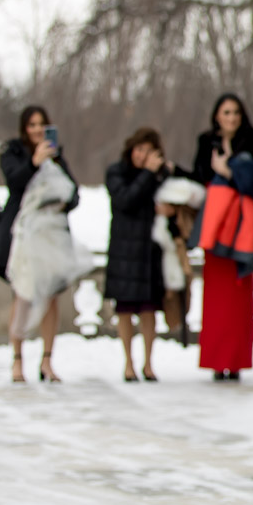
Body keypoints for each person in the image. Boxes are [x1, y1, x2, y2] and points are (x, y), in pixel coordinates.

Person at [0, 105, 80, 383]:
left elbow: (74, 193)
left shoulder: (56, 156)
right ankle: (17, 360)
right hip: (23, 234)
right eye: (32, 125)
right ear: (24, 128)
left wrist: (63, 201)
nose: (38, 129)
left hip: (50, 235)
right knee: (23, 295)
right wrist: (35, 162)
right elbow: (14, 182)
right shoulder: (12, 151)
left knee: (51, 297)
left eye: (42, 124)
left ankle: (47, 361)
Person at [189, 93, 253, 381]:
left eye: (236, 112)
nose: (232, 118)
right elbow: (198, 175)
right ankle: (215, 360)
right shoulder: (206, 141)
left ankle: (235, 360)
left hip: (241, 226)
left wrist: (227, 170)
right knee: (215, 298)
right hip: (215, 226)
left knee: (239, 294)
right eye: (226, 112)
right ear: (217, 116)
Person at [106, 127, 175, 382]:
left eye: (148, 151)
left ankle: (148, 363)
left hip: (149, 249)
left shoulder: (160, 176)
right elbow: (126, 200)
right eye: (139, 149)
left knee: (149, 310)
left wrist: (171, 210)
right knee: (124, 309)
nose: (142, 155)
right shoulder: (117, 172)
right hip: (124, 250)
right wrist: (147, 174)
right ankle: (128, 363)